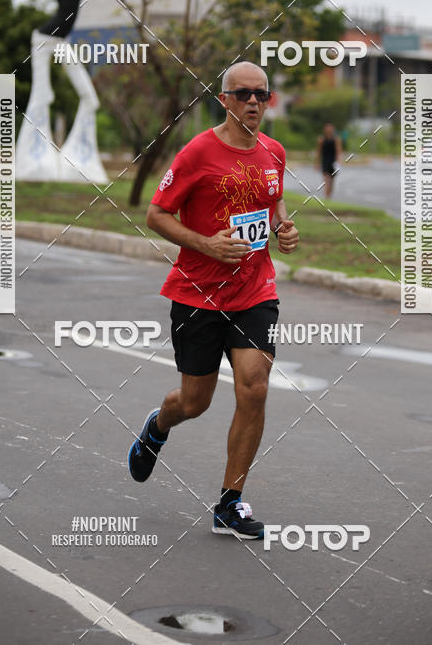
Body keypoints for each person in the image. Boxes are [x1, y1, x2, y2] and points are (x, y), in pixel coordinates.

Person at [128, 61, 299, 540]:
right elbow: (156, 214)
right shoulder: (197, 152)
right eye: (242, 94)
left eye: (261, 94)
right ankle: (159, 425)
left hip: (254, 291)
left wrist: (284, 229)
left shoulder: (274, 151)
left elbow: (275, 202)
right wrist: (208, 244)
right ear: (223, 100)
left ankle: (230, 503)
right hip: (198, 295)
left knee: (255, 384)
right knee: (194, 402)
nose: (252, 102)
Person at [315, 122, 342, 199]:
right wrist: (317, 163)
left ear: (333, 129)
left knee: (332, 179)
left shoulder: (336, 139)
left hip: (333, 161)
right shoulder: (321, 139)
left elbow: (338, 151)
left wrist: (338, 162)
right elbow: (318, 151)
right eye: (327, 128)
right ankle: (326, 194)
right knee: (326, 178)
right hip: (325, 160)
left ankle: (329, 193)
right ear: (325, 129)